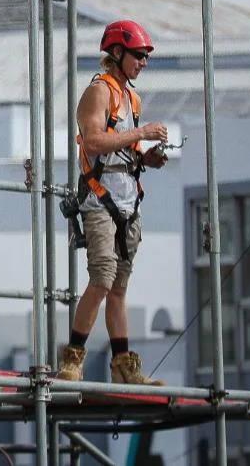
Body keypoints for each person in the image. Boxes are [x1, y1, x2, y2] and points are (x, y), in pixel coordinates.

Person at [56, 20, 169, 385]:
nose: (143, 63)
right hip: (99, 200)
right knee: (103, 277)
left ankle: (123, 365)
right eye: (139, 55)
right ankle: (72, 359)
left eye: (146, 57)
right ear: (117, 53)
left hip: (126, 201)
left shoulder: (130, 97)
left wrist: (145, 157)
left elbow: (122, 148)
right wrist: (141, 133)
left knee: (119, 285)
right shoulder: (99, 91)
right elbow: (92, 142)